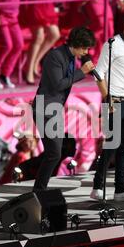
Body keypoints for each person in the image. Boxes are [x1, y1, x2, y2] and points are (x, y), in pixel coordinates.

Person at [90, 9, 124, 202]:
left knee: (123, 147)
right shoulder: (112, 44)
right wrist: (107, 98)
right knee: (110, 145)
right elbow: (98, 73)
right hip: (112, 102)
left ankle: (120, 190)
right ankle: (97, 187)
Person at [32, 26, 95, 190]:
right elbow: (58, 84)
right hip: (44, 108)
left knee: (54, 153)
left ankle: (40, 187)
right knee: (54, 153)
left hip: (55, 108)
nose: (86, 52)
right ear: (76, 44)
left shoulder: (71, 57)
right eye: (85, 48)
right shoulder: (55, 56)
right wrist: (81, 72)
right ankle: (39, 189)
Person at [20, 0, 60, 85]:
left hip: (46, 4)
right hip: (35, 4)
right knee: (38, 37)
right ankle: (29, 71)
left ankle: (34, 63)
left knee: (54, 34)